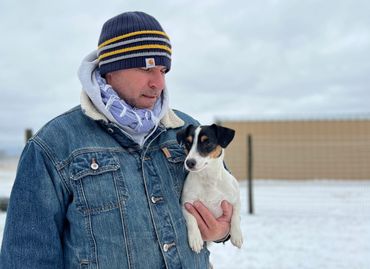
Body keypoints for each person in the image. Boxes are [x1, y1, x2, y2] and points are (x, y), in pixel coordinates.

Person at [0, 11, 233, 269]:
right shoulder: (53, 145)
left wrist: (221, 231)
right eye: (146, 67)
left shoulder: (187, 132)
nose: (158, 82)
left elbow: (224, 196)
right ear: (110, 70)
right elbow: (27, 257)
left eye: (163, 70)